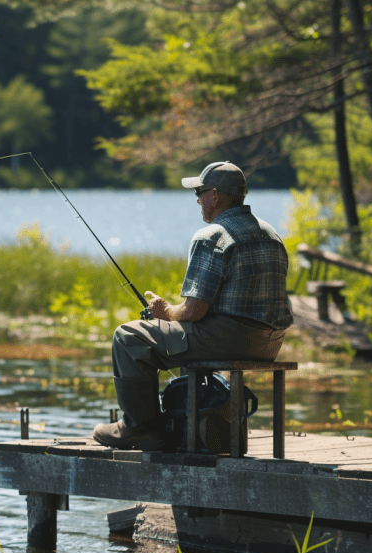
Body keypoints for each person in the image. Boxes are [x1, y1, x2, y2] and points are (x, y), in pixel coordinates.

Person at [92, 161, 293, 449]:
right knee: (177, 334)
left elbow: (192, 311)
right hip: (270, 344)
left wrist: (165, 312)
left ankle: (140, 428)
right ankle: (185, 424)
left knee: (127, 337)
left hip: (230, 339)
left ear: (214, 195)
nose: (197, 200)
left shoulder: (213, 236)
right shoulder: (272, 235)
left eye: (199, 193)